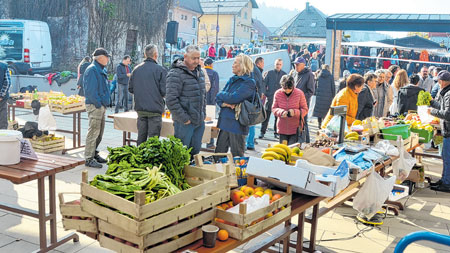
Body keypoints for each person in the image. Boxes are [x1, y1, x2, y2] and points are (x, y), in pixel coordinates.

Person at [166, 45, 206, 156]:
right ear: (185, 56)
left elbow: (203, 96)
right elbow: (170, 100)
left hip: (198, 121)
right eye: (194, 58)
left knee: (195, 153)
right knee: (181, 155)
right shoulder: (176, 73)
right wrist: (184, 119)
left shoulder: (200, 73)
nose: (197, 61)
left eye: (199, 58)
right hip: (184, 123)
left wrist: (203, 115)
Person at [215, 54, 256, 157]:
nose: (232, 65)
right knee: (219, 156)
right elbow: (218, 98)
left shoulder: (249, 82)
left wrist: (222, 96)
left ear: (242, 66)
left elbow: (235, 98)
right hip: (225, 122)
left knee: (237, 158)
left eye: (235, 63)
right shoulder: (232, 79)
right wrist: (225, 103)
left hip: (237, 124)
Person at [128, 44, 167, 146]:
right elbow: (164, 92)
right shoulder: (160, 70)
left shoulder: (136, 69)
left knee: (141, 138)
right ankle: (151, 161)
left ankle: (139, 159)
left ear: (145, 54)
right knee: (153, 141)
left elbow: (130, 89)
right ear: (156, 55)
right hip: (155, 110)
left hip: (140, 110)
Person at [83, 48, 111, 168]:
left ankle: (94, 153)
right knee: (93, 132)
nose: (108, 59)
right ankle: (88, 158)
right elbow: (90, 91)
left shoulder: (99, 69)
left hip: (100, 105)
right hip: (95, 105)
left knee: (99, 133)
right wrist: (98, 104)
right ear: (100, 58)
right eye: (107, 56)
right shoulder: (92, 70)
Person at [428, 70, 450, 192]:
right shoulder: (446, 92)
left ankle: (447, 183)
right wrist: (432, 103)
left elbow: (447, 114)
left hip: (449, 131)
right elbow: (443, 107)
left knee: (447, 159)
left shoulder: (449, 94)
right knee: (445, 157)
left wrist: (431, 111)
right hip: (447, 130)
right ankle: (444, 180)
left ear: (442, 82)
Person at [272, 75, 308, 145]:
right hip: (282, 128)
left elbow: (305, 109)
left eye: (289, 88)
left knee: (292, 150)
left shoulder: (299, 93)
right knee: (283, 151)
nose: (287, 91)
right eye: (285, 89)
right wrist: (281, 112)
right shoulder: (277, 93)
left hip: (295, 128)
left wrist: (295, 112)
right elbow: (274, 108)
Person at [259, 59, 286, 139]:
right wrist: (265, 92)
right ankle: (262, 132)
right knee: (266, 116)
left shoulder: (284, 75)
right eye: (277, 64)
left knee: (278, 117)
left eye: (280, 64)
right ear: (275, 64)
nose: (278, 66)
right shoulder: (270, 73)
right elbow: (264, 83)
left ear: (282, 65)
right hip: (270, 98)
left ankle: (276, 132)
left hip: (279, 99)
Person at [291, 57, 315, 143]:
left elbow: (311, 91)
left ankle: (306, 141)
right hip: (294, 102)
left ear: (303, 65)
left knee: (303, 122)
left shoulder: (309, 75)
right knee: (296, 122)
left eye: (297, 65)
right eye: (295, 64)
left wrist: (300, 98)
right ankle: (298, 140)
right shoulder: (295, 73)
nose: (295, 66)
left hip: (303, 103)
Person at [246, 57, 263, 150]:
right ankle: (249, 142)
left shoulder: (252, 70)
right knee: (251, 122)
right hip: (254, 100)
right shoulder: (255, 70)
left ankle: (249, 143)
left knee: (250, 122)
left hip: (251, 101)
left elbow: (254, 85)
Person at [204, 58, 219, 149]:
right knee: (210, 123)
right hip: (210, 101)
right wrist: (213, 101)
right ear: (211, 64)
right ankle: (210, 143)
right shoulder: (214, 74)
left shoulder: (201, 72)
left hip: (200, 101)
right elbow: (215, 89)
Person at [0, 62, 11, 129]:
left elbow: (7, 82)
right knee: (2, 116)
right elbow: (7, 82)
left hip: (2, 99)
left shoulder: (3, 66)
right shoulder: (3, 66)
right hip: (2, 98)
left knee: (2, 117)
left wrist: (1, 96)